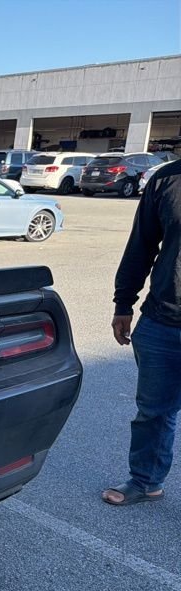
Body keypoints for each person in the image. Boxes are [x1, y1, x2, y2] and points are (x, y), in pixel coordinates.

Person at [103, 157, 181, 505]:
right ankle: (146, 481)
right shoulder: (167, 181)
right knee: (153, 411)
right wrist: (124, 303)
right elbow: (141, 245)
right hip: (163, 319)